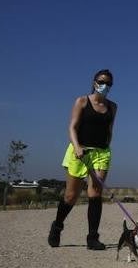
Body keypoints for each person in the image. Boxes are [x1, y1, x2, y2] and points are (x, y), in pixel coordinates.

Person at [47, 69, 117, 250]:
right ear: (94, 82)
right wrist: (77, 146)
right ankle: (57, 226)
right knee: (71, 196)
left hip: (101, 153)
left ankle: (92, 238)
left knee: (95, 194)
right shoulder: (82, 101)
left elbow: (109, 129)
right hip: (80, 150)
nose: (105, 86)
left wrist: (106, 147)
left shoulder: (112, 107)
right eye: (102, 81)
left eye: (109, 83)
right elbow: (72, 127)